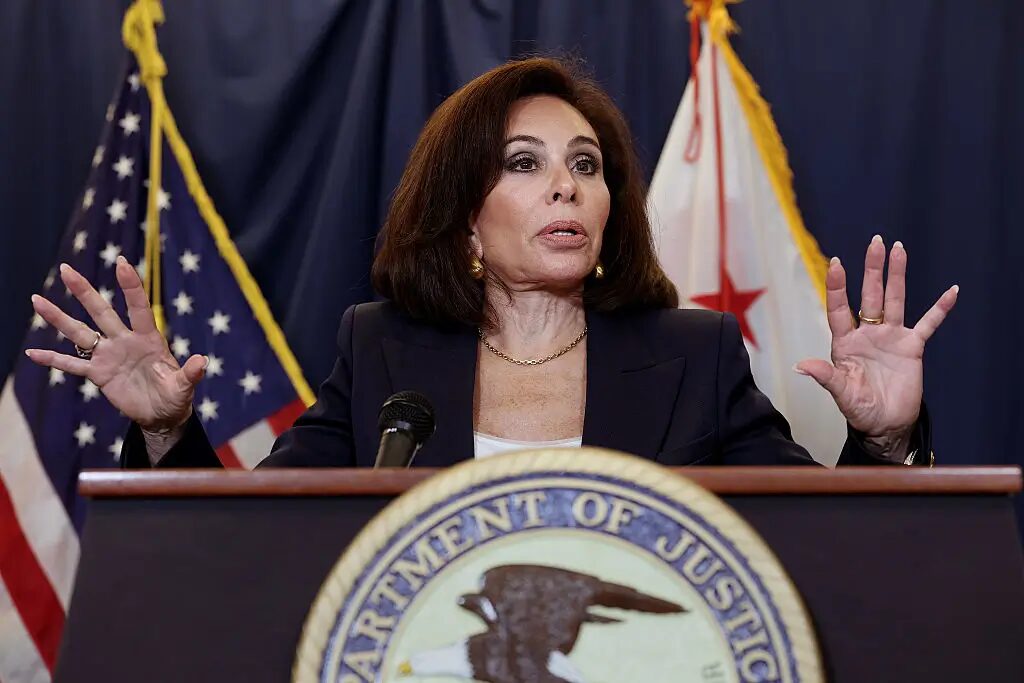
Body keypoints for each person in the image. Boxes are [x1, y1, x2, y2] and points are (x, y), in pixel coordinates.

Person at [25, 57, 958, 469]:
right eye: (524, 164)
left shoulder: (694, 353)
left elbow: (811, 545)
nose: (566, 187)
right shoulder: (383, 349)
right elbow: (267, 541)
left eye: (585, 166)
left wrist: (884, 440)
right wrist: (167, 428)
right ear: (465, 222)